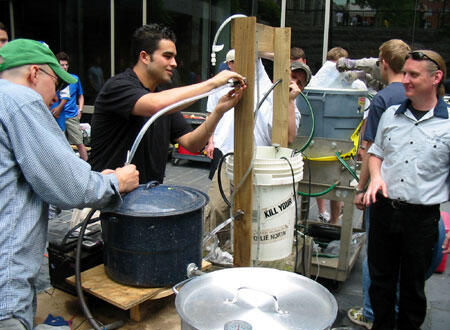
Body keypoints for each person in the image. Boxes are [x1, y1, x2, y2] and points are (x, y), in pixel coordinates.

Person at [0, 39, 139, 330]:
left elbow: (26, 177)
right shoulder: (20, 101)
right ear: (34, 73)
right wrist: (117, 182)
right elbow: (69, 187)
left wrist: (95, 179)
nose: (56, 96)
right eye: (55, 82)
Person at [89, 24, 246, 184]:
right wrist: (212, 83)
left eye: (174, 57)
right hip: (106, 201)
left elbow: (192, 143)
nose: (174, 63)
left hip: (146, 201)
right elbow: (154, 106)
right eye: (167, 56)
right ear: (145, 57)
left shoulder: (162, 97)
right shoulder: (118, 87)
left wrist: (219, 111)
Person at [363, 50, 449, 330]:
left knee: (413, 286)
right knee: (380, 281)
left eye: (413, 75)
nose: (405, 80)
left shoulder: (448, 125)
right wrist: (375, 177)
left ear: (436, 78)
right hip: (384, 210)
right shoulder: (390, 114)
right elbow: (375, 152)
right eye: (405, 73)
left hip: (422, 219)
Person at [203, 50, 307, 234]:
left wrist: (290, 102)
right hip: (231, 159)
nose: (294, 82)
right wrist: (278, 54)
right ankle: (210, 251)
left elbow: (290, 138)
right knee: (218, 208)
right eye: (292, 76)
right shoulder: (263, 85)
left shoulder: (293, 107)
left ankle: (238, 252)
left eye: (300, 82)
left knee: (254, 219)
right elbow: (253, 48)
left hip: (262, 167)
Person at [348, 39, 411, 329]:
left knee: (378, 254)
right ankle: (397, 311)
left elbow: (369, 150)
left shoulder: (383, 99)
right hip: (412, 191)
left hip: (381, 189)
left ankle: (371, 313)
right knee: (403, 258)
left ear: (383, 63)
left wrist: (360, 190)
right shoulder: (419, 95)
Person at [310, 47, 350, 225]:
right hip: (326, 141)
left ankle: (333, 221)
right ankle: (325, 214)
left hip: (336, 143)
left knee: (334, 184)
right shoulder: (317, 82)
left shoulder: (352, 84)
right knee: (321, 181)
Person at [51, 52, 88, 161]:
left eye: (66, 65)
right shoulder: (54, 79)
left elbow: (80, 96)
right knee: (61, 144)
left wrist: (80, 109)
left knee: (79, 143)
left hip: (71, 115)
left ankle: (88, 167)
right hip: (57, 117)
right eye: (62, 65)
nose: (65, 67)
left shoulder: (74, 79)